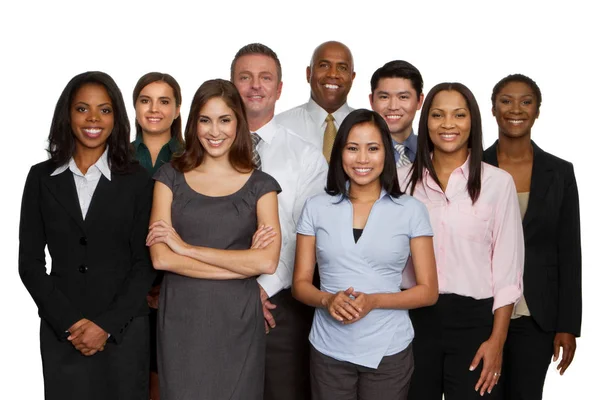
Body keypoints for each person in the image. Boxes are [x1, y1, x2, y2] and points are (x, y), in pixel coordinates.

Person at [19, 71, 155, 399]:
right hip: (62, 334)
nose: (93, 118)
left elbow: (145, 263)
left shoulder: (138, 180)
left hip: (123, 333)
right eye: (82, 109)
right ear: (67, 115)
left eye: (104, 110)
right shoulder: (41, 178)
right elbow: (30, 263)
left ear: (116, 118)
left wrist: (105, 325)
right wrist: (70, 323)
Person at [146, 79, 282, 400]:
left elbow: (266, 262)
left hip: (237, 322)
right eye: (205, 120)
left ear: (239, 122)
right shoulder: (169, 176)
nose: (214, 131)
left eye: (225, 120)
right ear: (194, 123)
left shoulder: (262, 185)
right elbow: (161, 259)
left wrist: (185, 248)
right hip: (182, 320)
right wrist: (242, 267)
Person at [293, 109, 438, 400]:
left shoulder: (411, 210)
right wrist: (327, 299)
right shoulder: (316, 207)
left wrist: (374, 301)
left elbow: (428, 292)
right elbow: (300, 284)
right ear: (340, 152)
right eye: (352, 148)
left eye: (372, 148)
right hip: (328, 348)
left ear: (386, 153)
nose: (362, 159)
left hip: (389, 349)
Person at [397, 82, 524, 399]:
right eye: (438, 115)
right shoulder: (401, 181)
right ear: (425, 121)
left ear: (473, 122)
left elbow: (508, 270)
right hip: (412, 320)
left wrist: (497, 341)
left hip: (474, 322)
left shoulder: (498, 183)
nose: (448, 124)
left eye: (459, 115)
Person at [230, 43, 328, 400]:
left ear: (280, 88)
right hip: (215, 300)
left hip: (280, 304)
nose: (255, 86)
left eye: (265, 78)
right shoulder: (206, 148)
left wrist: (262, 288)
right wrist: (234, 292)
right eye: (245, 77)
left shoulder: (306, 156)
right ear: (231, 85)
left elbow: (304, 237)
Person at [483, 74, 581, 400]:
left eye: (526, 101)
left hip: (536, 314)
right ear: (494, 108)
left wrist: (567, 324)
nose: (516, 109)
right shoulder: (472, 168)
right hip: (481, 311)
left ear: (538, 110)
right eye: (506, 100)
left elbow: (568, 251)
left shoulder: (560, 172)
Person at [132, 71, 183, 400]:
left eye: (164, 101)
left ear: (178, 110)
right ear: (134, 107)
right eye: (145, 100)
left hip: (180, 285)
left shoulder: (193, 158)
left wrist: (166, 284)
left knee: (172, 380)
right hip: (127, 290)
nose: (154, 109)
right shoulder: (116, 158)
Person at [276, 40, 356, 162]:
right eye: (324, 65)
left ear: (352, 77)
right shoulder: (280, 126)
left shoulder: (369, 127)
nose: (333, 74)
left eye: (342, 68)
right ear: (309, 74)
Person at [369, 60, 424, 167]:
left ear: (419, 101)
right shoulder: (357, 155)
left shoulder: (434, 151)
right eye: (384, 97)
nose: (393, 107)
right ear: (372, 101)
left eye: (403, 97)